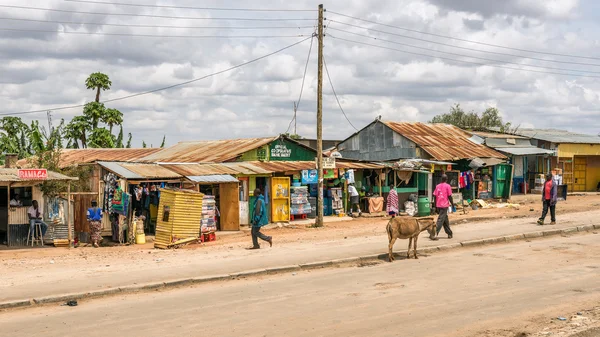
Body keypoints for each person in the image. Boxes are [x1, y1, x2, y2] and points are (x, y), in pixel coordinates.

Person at [431, 175, 454, 240]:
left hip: (438, 205)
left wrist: (435, 206)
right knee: (440, 220)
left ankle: (449, 233)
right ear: (447, 179)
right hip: (444, 205)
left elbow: (435, 197)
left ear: (441, 179)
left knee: (444, 219)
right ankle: (434, 233)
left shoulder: (437, 186)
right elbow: (449, 196)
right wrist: (452, 204)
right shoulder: (448, 186)